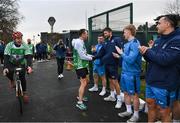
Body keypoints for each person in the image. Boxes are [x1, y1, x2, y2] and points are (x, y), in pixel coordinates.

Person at [139, 14, 180, 122]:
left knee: (163, 111)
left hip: (164, 83)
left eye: (159, 23)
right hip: (151, 80)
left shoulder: (177, 40)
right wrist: (145, 53)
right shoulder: (159, 40)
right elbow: (153, 59)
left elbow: (165, 60)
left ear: (167, 24)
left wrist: (148, 51)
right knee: (150, 105)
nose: (157, 26)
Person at [113, 24, 142, 122]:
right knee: (125, 93)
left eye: (124, 32)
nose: (123, 34)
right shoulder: (127, 44)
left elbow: (131, 60)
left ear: (130, 32)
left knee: (134, 95)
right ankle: (128, 111)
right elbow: (126, 57)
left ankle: (136, 115)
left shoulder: (135, 43)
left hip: (132, 74)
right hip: (125, 72)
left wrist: (121, 53)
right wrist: (119, 56)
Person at [93, 27, 124, 109]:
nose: (104, 35)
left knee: (115, 81)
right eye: (104, 33)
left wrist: (120, 57)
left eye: (106, 33)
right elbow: (101, 53)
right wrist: (93, 57)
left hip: (113, 65)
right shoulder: (105, 42)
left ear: (110, 32)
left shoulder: (116, 39)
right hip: (107, 64)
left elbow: (121, 50)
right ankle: (112, 96)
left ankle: (119, 100)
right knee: (110, 80)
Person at [3, 31, 32, 103]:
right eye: (17, 38)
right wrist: (5, 67)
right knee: (7, 72)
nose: (19, 40)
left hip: (20, 63)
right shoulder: (9, 45)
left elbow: (28, 57)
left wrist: (29, 66)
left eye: (20, 38)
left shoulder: (24, 45)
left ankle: (24, 93)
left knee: (22, 77)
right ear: (14, 39)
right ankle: (12, 80)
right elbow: (6, 57)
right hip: (11, 63)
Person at [72, 29, 93, 110]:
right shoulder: (78, 42)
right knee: (83, 83)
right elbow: (82, 56)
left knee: (85, 82)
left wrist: (91, 55)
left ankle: (81, 95)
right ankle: (80, 102)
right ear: (83, 34)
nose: (87, 35)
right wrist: (91, 58)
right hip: (80, 66)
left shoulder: (80, 42)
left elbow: (84, 53)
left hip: (83, 65)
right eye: (86, 34)